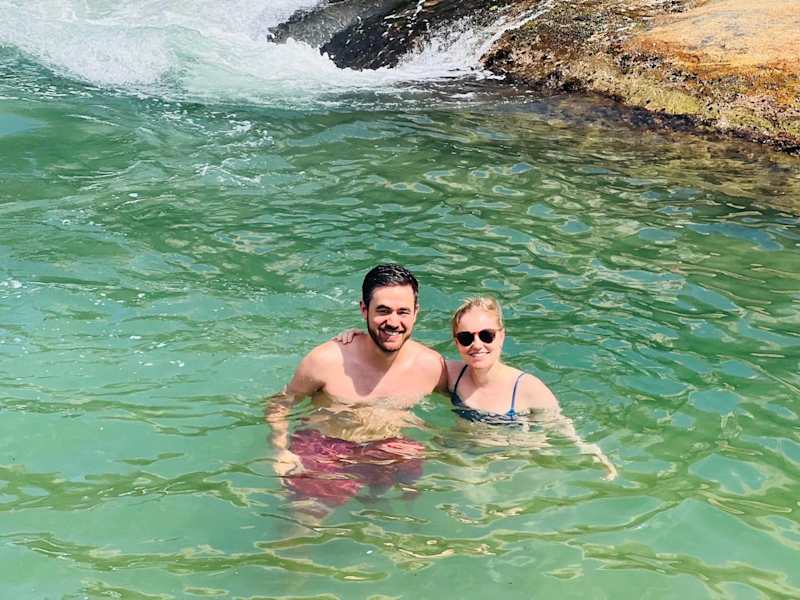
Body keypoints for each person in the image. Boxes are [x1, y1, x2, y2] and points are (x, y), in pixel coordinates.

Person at [338, 295, 618, 479]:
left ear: (502, 336)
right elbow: (404, 353)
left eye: (486, 335)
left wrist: (592, 454)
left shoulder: (527, 388)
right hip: (461, 455)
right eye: (466, 338)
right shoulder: (452, 374)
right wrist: (363, 336)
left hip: (510, 461)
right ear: (456, 342)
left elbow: (562, 428)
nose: (477, 345)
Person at [266, 264, 447, 514]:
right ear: (364, 310)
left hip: (389, 451)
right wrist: (280, 450)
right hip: (328, 450)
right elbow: (280, 403)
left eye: (403, 312)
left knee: (412, 516)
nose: (393, 322)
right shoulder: (326, 361)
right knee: (303, 523)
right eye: (383, 311)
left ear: (416, 313)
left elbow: (476, 385)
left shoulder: (432, 366)